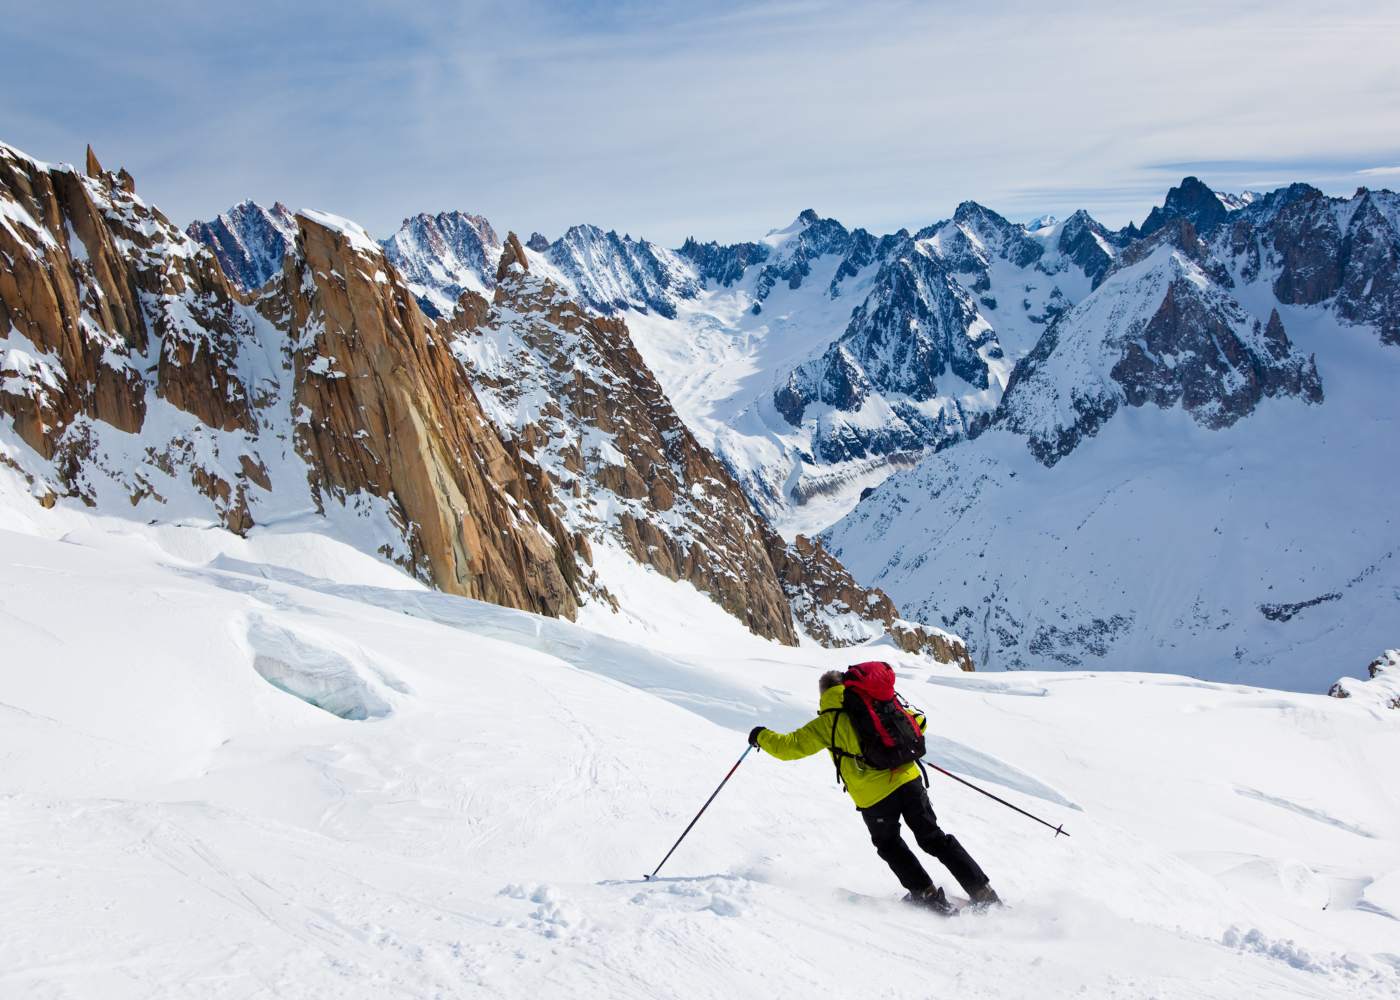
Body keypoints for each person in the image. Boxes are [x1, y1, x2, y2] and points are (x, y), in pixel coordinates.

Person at [748, 669, 1000, 913]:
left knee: (889, 844)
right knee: (933, 838)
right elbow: (919, 722)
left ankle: (926, 895)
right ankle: (983, 893)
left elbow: (789, 748)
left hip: (875, 798)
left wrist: (760, 735)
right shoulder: (880, 703)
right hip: (909, 780)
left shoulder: (828, 722)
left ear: (823, 694)